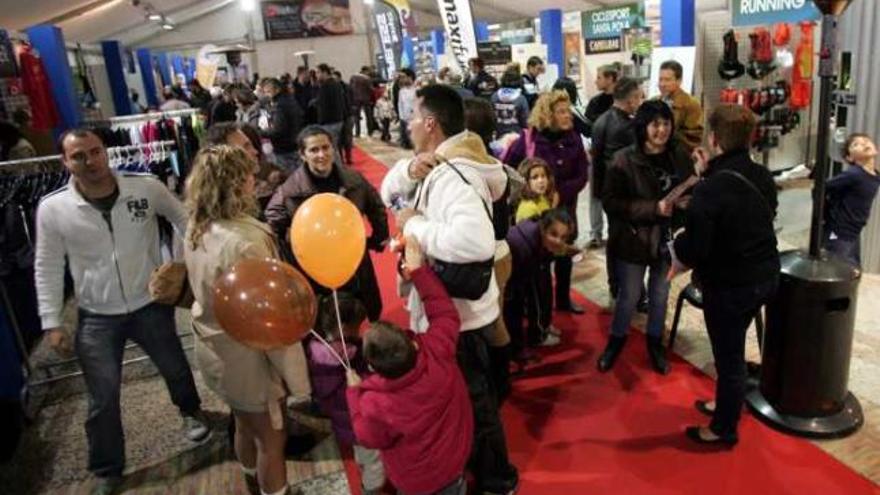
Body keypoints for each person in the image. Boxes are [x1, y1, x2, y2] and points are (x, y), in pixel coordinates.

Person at [34, 129, 209, 494]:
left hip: (149, 304)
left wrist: (184, 264)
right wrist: (51, 321)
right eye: (79, 156)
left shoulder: (143, 186)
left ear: (106, 152)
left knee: (176, 367)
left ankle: (191, 412)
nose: (90, 161)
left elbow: (184, 219)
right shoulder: (53, 208)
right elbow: (47, 265)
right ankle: (108, 467)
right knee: (102, 396)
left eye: (96, 152)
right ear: (65, 162)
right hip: (96, 315)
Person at [379, 84, 518, 495]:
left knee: (476, 400)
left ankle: (496, 479)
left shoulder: (454, 175)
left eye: (412, 116)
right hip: (456, 310)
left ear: (430, 123)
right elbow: (388, 192)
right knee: (471, 396)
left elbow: (475, 242)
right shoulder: (444, 164)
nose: (406, 124)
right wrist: (408, 171)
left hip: (458, 315)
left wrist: (415, 225)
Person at [184, 145, 310, 495]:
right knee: (272, 438)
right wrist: (294, 375)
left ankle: (252, 482)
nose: (255, 180)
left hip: (215, 347)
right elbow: (268, 317)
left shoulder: (198, 225)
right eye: (249, 175)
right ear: (235, 183)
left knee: (243, 423)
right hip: (248, 357)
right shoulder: (247, 241)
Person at [672, 104, 779, 446]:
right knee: (733, 350)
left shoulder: (710, 189)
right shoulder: (760, 175)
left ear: (714, 139)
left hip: (732, 286)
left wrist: (678, 241)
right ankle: (727, 403)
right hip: (765, 274)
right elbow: (763, 215)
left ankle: (722, 429)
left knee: (729, 357)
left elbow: (696, 249)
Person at [347, 236, 472, 495]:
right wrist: (419, 271)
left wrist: (354, 394)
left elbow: (368, 436)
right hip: (455, 463)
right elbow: (445, 312)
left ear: (373, 367)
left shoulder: (374, 402)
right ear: (409, 341)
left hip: (416, 482)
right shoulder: (437, 350)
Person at [598, 100, 693, 374]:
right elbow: (611, 202)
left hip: (667, 241)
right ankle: (615, 342)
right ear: (643, 127)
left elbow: (690, 189)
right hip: (634, 239)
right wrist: (653, 208)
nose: (661, 130)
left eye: (666, 123)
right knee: (628, 296)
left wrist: (686, 204)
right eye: (655, 124)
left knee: (661, 296)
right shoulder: (624, 159)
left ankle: (655, 343)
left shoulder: (679, 155)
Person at [265, 126, 388, 321]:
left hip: (352, 257)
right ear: (302, 155)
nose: (321, 154)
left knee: (363, 306)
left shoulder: (353, 180)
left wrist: (379, 238)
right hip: (315, 266)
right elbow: (272, 222)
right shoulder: (289, 190)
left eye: (325, 147)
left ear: (333, 148)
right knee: (324, 316)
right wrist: (290, 253)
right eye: (314, 150)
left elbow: (376, 207)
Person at [503, 91, 590, 315]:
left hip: (564, 211)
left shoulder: (574, 138)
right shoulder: (530, 139)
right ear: (547, 114)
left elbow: (582, 174)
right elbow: (507, 167)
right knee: (537, 263)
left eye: (567, 110)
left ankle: (562, 300)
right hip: (535, 216)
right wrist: (527, 191)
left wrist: (560, 191)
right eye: (561, 112)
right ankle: (536, 309)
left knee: (563, 258)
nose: (567, 116)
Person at [305, 294, 385, 495]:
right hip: (357, 419)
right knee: (374, 460)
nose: (361, 328)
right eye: (357, 325)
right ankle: (371, 489)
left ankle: (364, 472)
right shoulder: (345, 355)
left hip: (344, 422)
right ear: (345, 326)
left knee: (362, 453)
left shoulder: (317, 348)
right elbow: (353, 392)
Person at [505, 209, 577, 366]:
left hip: (513, 278)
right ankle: (511, 354)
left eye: (563, 237)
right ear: (544, 229)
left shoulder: (536, 236)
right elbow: (513, 287)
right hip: (504, 282)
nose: (558, 240)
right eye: (554, 234)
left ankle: (516, 349)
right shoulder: (523, 245)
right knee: (512, 310)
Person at [590, 76, 643, 263]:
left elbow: (596, 160)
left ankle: (615, 281)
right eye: (639, 97)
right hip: (623, 193)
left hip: (606, 190)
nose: (640, 101)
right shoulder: (628, 127)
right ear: (631, 99)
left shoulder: (600, 121)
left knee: (615, 233)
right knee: (622, 237)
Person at [823, 133, 880, 267]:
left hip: (854, 232)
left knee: (853, 271)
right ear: (850, 157)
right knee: (836, 272)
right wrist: (827, 215)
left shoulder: (875, 175)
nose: (864, 144)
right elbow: (823, 187)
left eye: (866, 140)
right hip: (840, 233)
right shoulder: (853, 174)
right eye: (856, 144)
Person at [204, 122, 286, 212]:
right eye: (246, 147)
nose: (255, 151)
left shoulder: (276, 181)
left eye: (253, 145)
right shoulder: (221, 211)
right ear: (224, 155)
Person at [260, 77, 305, 172]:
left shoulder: (279, 106)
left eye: (268, 92)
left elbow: (278, 130)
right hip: (295, 142)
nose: (266, 95)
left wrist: (260, 132)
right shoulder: (290, 99)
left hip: (284, 147)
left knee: (288, 177)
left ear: (277, 90)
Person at [657, 60, 704, 152]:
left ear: (679, 81)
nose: (662, 84)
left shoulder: (691, 104)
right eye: (660, 79)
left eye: (667, 80)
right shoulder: (654, 101)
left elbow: (693, 138)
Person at [314, 64, 348, 148]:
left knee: (331, 149)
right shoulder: (335, 84)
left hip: (330, 122)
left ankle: (336, 162)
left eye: (318, 72)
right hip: (337, 120)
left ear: (325, 73)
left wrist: (321, 122)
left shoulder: (326, 86)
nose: (316, 75)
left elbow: (324, 106)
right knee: (333, 147)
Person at [515, 158, 559, 223]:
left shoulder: (542, 198)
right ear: (526, 182)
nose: (541, 181)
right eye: (535, 177)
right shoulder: (529, 208)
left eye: (543, 176)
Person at [492, 70, 529, 138]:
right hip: (516, 136)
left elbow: (492, 118)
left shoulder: (494, 96)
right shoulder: (521, 98)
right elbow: (525, 121)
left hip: (499, 135)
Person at [584, 65, 619, 134]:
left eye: (599, 78)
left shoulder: (622, 101)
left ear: (609, 79)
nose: (596, 81)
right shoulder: (594, 101)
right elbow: (587, 126)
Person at [350, 66, 378, 137]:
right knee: (369, 116)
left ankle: (357, 133)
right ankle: (370, 132)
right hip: (366, 99)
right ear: (365, 71)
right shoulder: (366, 78)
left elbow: (350, 88)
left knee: (357, 117)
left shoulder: (353, 77)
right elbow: (371, 89)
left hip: (355, 99)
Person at [397, 69, 417, 150]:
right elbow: (400, 104)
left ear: (410, 77)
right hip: (405, 117)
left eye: (404, 77)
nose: (402, 79)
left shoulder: (417, 89)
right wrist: (401, 116)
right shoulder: (402, 91)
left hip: (415, 116)